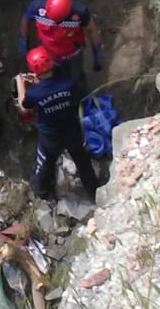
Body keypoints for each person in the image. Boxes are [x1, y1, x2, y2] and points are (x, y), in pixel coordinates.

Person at [15, 46, 99, 202]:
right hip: (72, 130)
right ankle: (94, 193)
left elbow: (23, 107)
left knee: (46, 163)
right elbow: (75, 96)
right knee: (83, 161)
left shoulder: (34, 93)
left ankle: (42, 191)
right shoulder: (68, 83)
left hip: (50, 137)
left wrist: (21, 83)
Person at [18, 0, 101, 82]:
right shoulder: (36, 7)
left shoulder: (79, 12)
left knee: (75, 78)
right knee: (51, 81)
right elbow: (25, 19)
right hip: (48, 55)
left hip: (72, 55)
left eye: (57, 20)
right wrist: (23, 40)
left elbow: (92, 30)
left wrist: (97, 53)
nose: (53, 23)